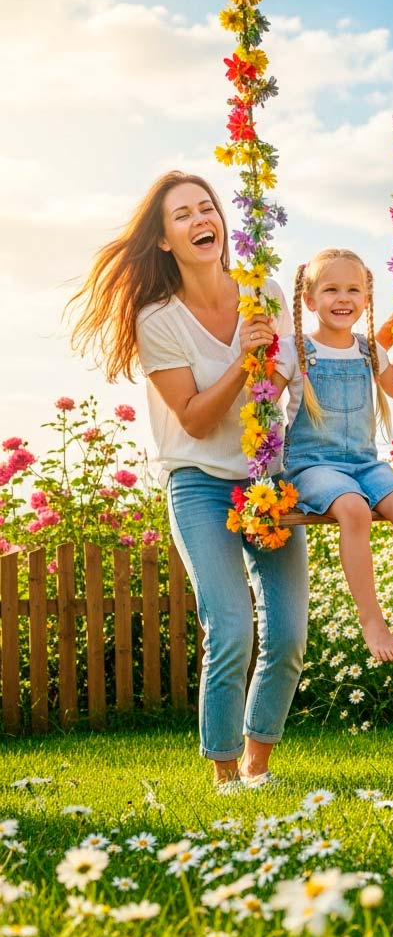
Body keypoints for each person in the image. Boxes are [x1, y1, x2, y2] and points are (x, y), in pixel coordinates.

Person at [68, 171, 309, 792]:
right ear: (166, 240)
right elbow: (198, 421)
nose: (203, 219)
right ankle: (225, 772)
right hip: (199, 482)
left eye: (209, 208)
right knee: (229, 625)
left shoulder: (266, 292)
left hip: (266, 480)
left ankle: (260, 767)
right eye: (184, 215)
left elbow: (277, 387)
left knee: (287, 632)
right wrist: (240, 360)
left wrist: (286, 365)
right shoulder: (159, 319)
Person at [274, 247, 393, 663]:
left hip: (364, 463)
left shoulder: (371, 350)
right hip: (312, 465)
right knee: (352, 509)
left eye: (353, 289)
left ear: (367, 300)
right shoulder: (294, 348)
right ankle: (372, 620)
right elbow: (260, 399)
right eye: (331, 289)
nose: (343, 298)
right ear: (310, 300)